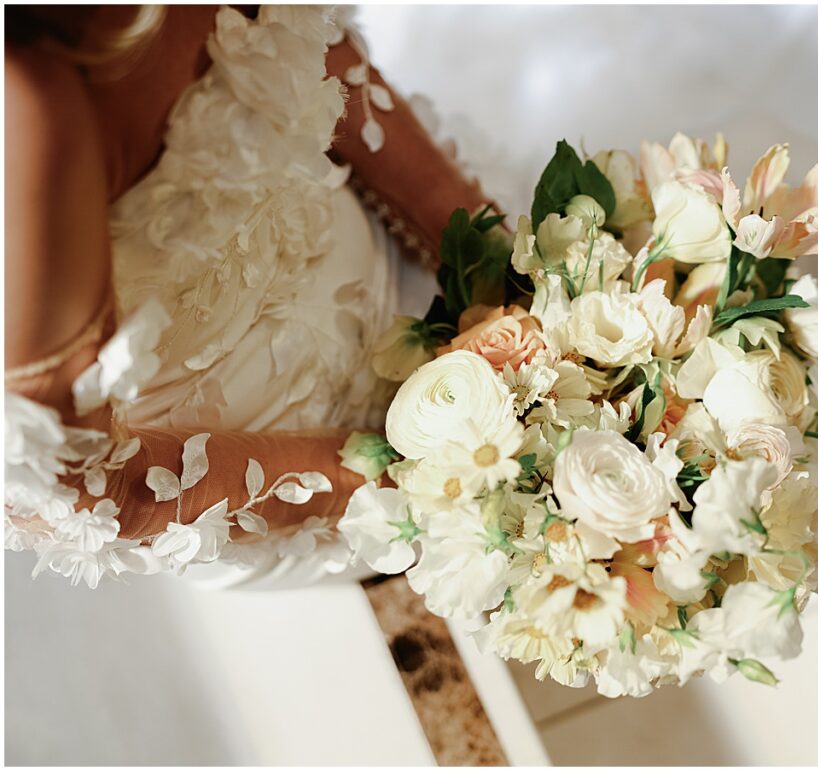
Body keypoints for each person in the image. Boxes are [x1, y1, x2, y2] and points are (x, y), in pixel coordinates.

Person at [5, 5, 495, 587]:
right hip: (281, 482)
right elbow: (84, 491)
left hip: (396, 270)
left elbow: (313, 44)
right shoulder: (25, 109)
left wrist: (490, 262)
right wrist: (404, 483)